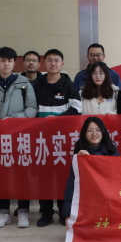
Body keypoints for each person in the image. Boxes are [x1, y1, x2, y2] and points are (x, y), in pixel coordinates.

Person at [0, 46, 38, 229]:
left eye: (10, 61)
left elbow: (32, 108)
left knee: (21, 173)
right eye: (3, 60)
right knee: (0, 175)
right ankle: (3, 212)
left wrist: (14, 119)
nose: (6, 64)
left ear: (14, 63)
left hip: (20, 136)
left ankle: (23, 211)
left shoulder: (24, 83)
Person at [31, 48, 81, 227]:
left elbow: (77, 109)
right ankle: (46, 212)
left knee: (62, 175)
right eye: (50, 60)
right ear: (44, 64)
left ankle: (62, 211)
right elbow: (30, 109)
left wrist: (58, 119)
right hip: (41, 139)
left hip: (63, 139)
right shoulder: (36, 85)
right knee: (44, 176)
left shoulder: (69, 85)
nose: (53, 63)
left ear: (62, 64)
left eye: (56, 60)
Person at [61, 117, 119, 223]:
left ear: (103, 132)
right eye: (90, 130)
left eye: (98, 130)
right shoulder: (79, 153)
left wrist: (91, 158)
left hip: (107, 200)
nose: (94, 134)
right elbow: (72, 184)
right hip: (88, 202)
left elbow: (115, 174)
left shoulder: (111, 150)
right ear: (84, 133)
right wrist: (68, 214)